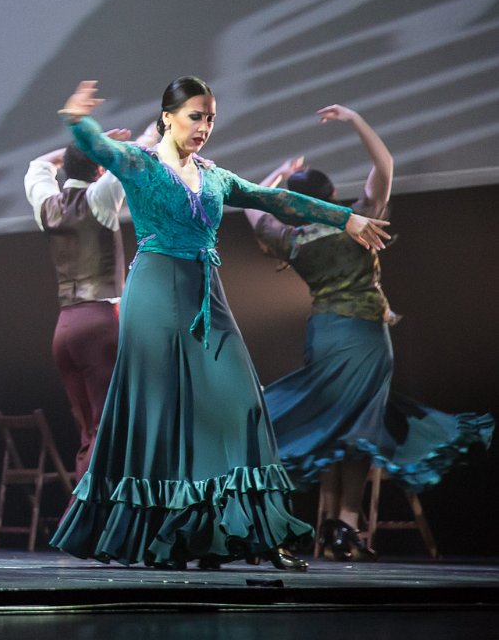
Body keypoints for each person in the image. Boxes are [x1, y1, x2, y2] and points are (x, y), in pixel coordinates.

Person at [48, 78, 390, 570]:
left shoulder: (214, 176)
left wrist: (346, 219)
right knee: (163, 414)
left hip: (206, 294)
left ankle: (259, 532)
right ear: (167, 117)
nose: (204, 126)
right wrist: (78, 119)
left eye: (210, 118)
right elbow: (100, 148)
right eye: (195, 116)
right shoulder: (141, 164)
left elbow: (273, 200)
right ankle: (165, 535)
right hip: (155, 292)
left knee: (243, 404)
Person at [247, 105, 493, 561]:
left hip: (324, 335)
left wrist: (279, 174)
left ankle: (336, 528)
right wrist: (356, 119)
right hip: (363, 335)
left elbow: (251, 205)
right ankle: (344, 523)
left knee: (336, 423)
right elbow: (385, 165)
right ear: (331, 195)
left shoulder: (291, 240)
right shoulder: (358, 223)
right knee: (360, 425)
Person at [24, 130, 134, 482]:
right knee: (109, 426)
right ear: (99, 170)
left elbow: (39, 164)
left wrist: (82, 146)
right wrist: (103, 148)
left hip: (65, 329)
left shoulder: (48, 206)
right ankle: (97, 512)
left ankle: (83, 508)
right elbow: (136, 153)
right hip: (100, 324)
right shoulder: (99, 197)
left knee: (89, 431)